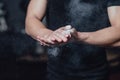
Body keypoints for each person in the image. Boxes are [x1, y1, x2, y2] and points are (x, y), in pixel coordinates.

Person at [25, 0, 120, 80]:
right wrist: (49, 35)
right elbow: (32, 18)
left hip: (96, 73)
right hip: (56, 73)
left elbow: (118, 29)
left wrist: (80, 37)